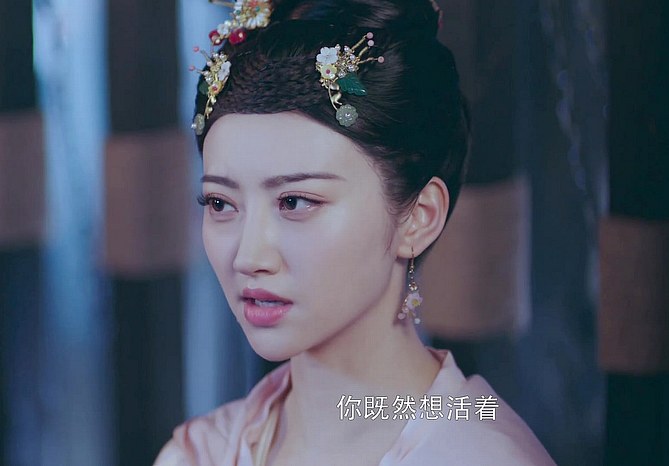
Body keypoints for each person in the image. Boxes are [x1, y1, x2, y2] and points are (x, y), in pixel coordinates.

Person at [154, 1, 556, 464]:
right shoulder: (199, 454)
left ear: (418, 217)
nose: (248, 257)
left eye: (294, 202)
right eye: (221, 204)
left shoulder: (479, 455)